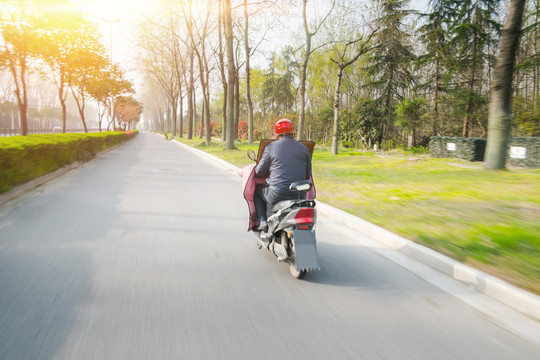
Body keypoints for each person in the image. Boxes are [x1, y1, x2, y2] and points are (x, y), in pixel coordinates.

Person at [254, 119, 312, 231]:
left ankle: (262, 221)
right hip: (299, 195)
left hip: (277, 194)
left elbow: (259, 172)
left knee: (257, 190)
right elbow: (307, 174)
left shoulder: (271, 147)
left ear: (277, 133)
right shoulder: (305, 149)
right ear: (292, 132)